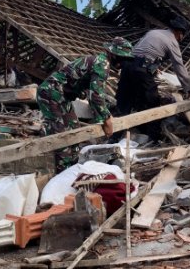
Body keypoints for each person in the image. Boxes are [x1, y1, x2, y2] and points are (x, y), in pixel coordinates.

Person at [38, 37, 134, 172]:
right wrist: (107, 119)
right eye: (121, 58)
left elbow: (91, 93)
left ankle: (72, 168)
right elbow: (95, 96)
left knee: (74, 130)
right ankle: (62, 174)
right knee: (61, 136)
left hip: (61, 97)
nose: (122, 63)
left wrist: (102, 116)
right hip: (50, 93)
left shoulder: (100, 62)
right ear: (113, 54)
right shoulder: (102, 64)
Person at [115, 16, 190, 142]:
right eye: (182, 36)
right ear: (179, 32)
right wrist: (189, 89)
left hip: (128, 66)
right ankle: (153, 139)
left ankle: (114, 137)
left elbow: (143, 51)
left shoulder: (153, 32)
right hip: (141, 70)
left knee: (124, 103)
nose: (181, 39)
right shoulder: (172, 41)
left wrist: (152, 67)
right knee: (153, 104)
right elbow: (179, 66)